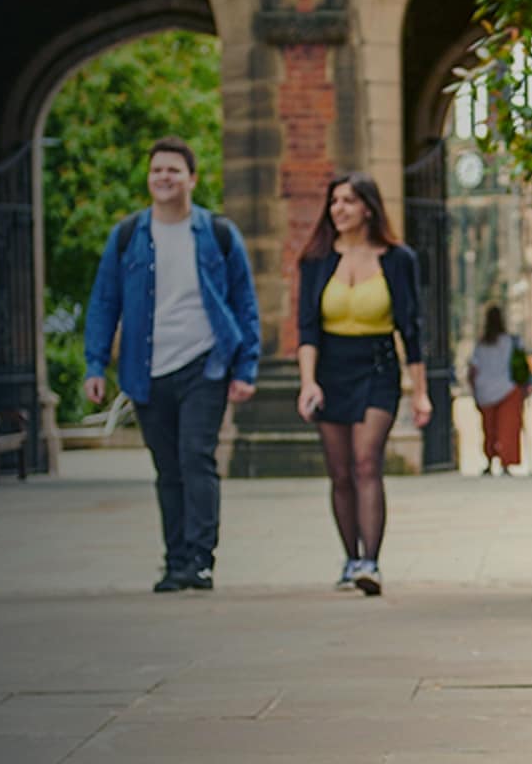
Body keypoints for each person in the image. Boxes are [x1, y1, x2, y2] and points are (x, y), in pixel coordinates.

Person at [81, 136, 264, 595]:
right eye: (157, 170)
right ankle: (175, 560)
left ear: (192, 179)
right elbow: (105, 301)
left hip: (206, 364)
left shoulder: (217, 233)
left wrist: (246, 369)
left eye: (173, 170)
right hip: (146, 369)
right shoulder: (126, 236)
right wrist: (94, 365)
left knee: (196, 458)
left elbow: (244, 301)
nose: (164, 177)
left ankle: (200, 561)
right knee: (167, 469)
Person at [291, 173, 428, 597]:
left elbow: (412, 329)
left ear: (368, 207)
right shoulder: (315, 260)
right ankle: (350, 558)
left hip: (378, 368)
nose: (340, 209)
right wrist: (307, 383)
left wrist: (420, 391)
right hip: (330, 370)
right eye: (334, 202)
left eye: (349, 201)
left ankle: (371, 562)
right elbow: (307, 330)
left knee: (367, 461)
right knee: (340, 471)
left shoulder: (398, 258)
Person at [461, 304, 530, 476]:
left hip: (485, 390)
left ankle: (490, 459)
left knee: (489, 428)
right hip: (507, 388)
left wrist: (474, 390)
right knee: (508, 428)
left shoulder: (480, 345)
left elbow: (473, 369)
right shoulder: (511, 341)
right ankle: (506, 463)